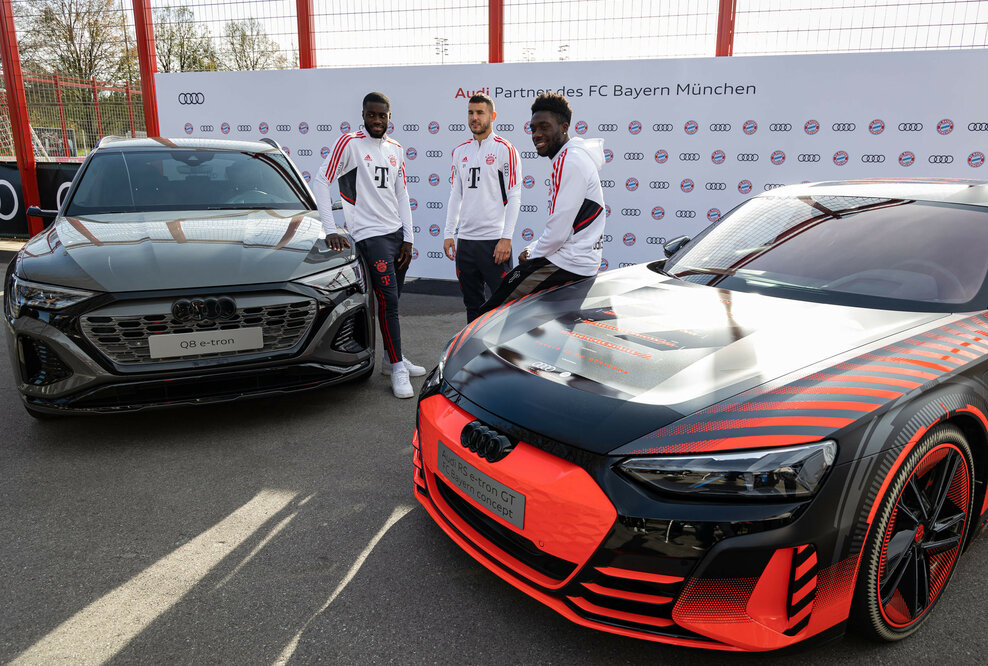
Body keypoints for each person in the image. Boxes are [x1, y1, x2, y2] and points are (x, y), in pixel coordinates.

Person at [312, 91, 425, 399]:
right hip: (369, 235)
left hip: (396, 235)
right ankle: (398, 368)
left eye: (382, 116)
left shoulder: (396, 148)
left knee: (393, 303)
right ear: (363, 115)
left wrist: (409, 237)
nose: (377, 120)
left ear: (390, 117)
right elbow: (321, 181)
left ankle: (392, 359)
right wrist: (330, 229)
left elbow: (402, 194)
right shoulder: (348, 143)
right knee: (387, 303)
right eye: (372, 115)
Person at [480, 92, 606, 313]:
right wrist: (533, 249)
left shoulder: (570, 161)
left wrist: (531, 254)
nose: (537, 134)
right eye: (533, 128)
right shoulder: (570, 158)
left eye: (545, 127)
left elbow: (557, 233)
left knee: (489, 313)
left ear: (564, 127)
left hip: (568, 263)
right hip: (575, 260)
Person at [443, 93, 522, 322]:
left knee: (503, 307)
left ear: (492, 116)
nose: (474, 117)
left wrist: (506, 238)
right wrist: (450, 233)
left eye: (480, 112)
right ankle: (473, 355)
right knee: (472, 306)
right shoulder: (460, 152)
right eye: (470, 112)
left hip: (494, 243)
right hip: (466, 243)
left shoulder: (505, 149)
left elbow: (515, 195)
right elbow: (455, 194)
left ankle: (503, 355)